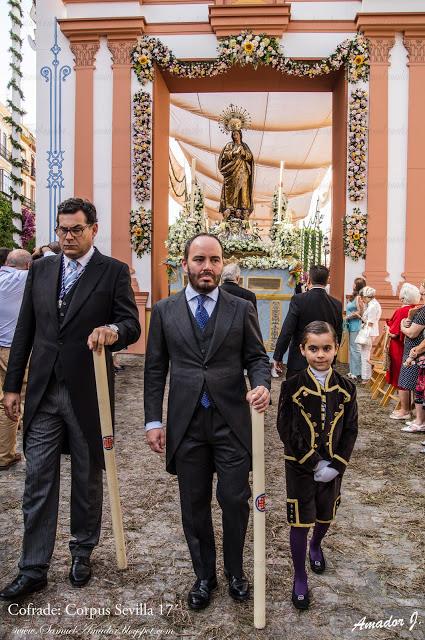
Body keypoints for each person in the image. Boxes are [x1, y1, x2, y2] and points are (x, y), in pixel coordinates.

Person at [0, 197, 141, 601]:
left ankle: (82, 551)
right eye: (62, 230)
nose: (67, 237)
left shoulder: (112, 272)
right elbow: (25, 329)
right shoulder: (41, 270)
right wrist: (13, 386)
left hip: (87, 391)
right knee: (38, 478)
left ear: (93, 229)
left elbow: (131, 323)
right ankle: (33, 566)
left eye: (76, 229)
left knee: (86, 474)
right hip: (44, 391)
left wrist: (113, 330)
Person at [144, 233, 270, 610]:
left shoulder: (240, 307)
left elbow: (257, 358)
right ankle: (204, 575)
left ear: (221, 264)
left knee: (235, 499)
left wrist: (261, 385)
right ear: (185, 264)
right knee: (193, 503)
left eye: (214, 260)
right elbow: (154, 369)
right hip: (187, 424)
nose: (207, 267)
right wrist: (153, 420)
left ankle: (235, 571)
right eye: (199, 260)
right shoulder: (165, 311)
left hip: (231, 421)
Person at [277, 321, 358, 610]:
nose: (320, 354)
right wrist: (313, 461)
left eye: (326, 348)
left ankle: (316, 545)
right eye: (313, 348)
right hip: (300, 466)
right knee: (300, 520)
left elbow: (350, 429)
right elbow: (285, 429)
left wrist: (337, 464)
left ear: (336, 348)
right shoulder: (292, 386)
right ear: (302, 350)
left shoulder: (346, 388)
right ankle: (300, 577)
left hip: (334, 465)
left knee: (325, 515)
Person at [273, 265, 343, 379]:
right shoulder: (336, 304)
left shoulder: (299, 300)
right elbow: (338, 334)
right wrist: (332, 357)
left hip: (300, 360)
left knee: (296, 394)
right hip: (325, 360)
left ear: (309, 280)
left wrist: (278, 356)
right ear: (327, 281)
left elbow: (287, 330)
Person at [0, 249, 32, 470]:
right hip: (12, 349)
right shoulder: (27, 278)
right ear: (27, 266)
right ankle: (4, 454)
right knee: (14, 400)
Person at [386, 283, 420, 420]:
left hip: (399, 347)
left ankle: (404, 410)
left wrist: (387, 329)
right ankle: (409, 408)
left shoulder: (401, 311)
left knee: (401, 378)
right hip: (410, 346)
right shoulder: (416, 309)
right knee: (409, 377)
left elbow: (394, 333)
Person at [399, 282, 425, 433]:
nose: (421, 298)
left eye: (423, 294)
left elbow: (412, 333)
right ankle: (418, 419)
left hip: (418, 354)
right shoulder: (421, 310)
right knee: (418, 389)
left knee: (419, 388)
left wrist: (403, 327)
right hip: (416, 353)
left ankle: (420, 421)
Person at [218, 129, 254, 219]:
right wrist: (234, 153)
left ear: (240, 135)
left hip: (243, 172)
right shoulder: (229, 145)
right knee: (232, 190)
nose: (235, 136)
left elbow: (250, 157)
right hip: (232, 173)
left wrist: (244, 153)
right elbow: (224, 155)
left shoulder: (244, 146)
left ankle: (243, 210)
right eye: (233, 134)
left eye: (237, 134)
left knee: (243, 191)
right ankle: (231, 209)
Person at [358, 287, 382, 384]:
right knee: (365, 354)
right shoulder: (372, 304)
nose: (362, 300)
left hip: (368, 332)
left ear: (366, 297)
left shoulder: (373, 306)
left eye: (362, 298)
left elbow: (370, 322)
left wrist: (364, 334)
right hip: (369, 331)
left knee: (365, 355)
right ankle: (366, 376)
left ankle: (366, 377)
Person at [345, 277, 366, 381]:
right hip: (351, 325)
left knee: (355, 349)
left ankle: (357, 372)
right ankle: (352, 370)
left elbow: (361, 312)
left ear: (358, 286)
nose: (352, 285)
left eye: (354, 283)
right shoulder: (354, 297)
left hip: (355, 325)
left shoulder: (358, 298)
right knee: (351, 348)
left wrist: (349, 316)